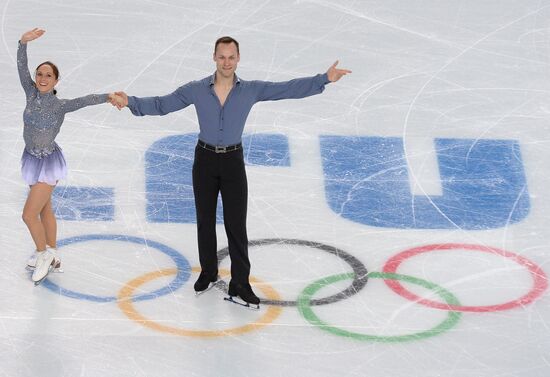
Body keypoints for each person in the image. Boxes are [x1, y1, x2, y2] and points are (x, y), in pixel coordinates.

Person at [112, 36, 351, 307]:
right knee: (205, 219)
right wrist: (130, 101)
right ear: (214, 57)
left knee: (236, 224)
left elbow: (286, 88)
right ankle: (209, 272)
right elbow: (161, 104)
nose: (226, 62)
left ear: (238, 59)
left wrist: (324, 79)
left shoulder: (250, 90)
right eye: (222, 56)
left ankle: (241, 282)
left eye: (231, 57)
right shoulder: (197, 89)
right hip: (204, 160)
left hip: (233, 161)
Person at [18, 28, 117, 284]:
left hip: (48, 163)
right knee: (44, 210)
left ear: (56, 81)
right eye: (39, 74)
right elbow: (21, 67)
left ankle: (43, 255)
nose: (41, 78)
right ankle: (52, 251)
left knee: (28, 215)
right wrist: (23, 43)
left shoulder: (60, 106)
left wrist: (108, 97)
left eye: (48, 75)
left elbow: (85, 100)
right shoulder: (30, 93)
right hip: (31, 158)